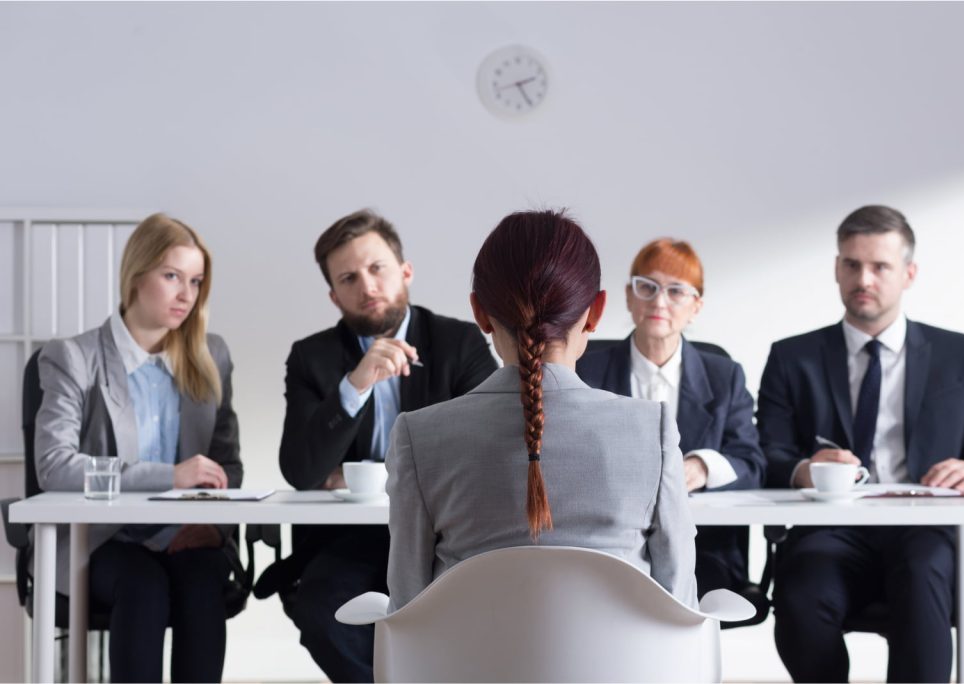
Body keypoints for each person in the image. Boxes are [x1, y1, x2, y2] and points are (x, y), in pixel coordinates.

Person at [757, 205, 964, 683]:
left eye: (880, 266)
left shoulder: (960, 356)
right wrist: (805, 469)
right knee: (800, 596)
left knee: (923, 576)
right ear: (837, 269)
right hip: (832, 529)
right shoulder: (792, 357)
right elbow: (766, 455)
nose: (865, 278)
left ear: (909, 273)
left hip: (928, 528)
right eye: (852, 264)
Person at [386, 209, 698, 612]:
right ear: (597, 312)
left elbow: (408, 611)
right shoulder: (650, 431)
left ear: (479, 312)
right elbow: (679, 605)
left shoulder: (420, 436)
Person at [273, 209, 497, 682]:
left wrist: (356, 474)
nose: (367, 286)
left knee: (464, 617)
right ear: (334, 296)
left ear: (405, 272)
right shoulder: (311, 358)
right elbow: (300, 470)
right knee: (321, 612)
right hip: (349, 539)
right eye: (349, 278)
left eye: (377, 269)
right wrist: (355, 386)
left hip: (445, 533)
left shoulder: (459, 343)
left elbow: (488, 448)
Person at [34, 213, 242, 683]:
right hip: (104, 538)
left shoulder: (212, 357)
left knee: (204, 578)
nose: (186, 294)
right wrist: (170, 476)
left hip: (185, 534)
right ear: (135, 274)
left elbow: (227, 465)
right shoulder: (74, 357)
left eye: (195, 281)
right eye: (172, 276)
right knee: (144, 585)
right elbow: (54, 466)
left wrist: (213, 523)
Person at [576, 238, 765, 596]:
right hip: (606, 544)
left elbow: (752, 463)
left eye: (676, 291)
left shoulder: (724, 376)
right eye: (646, 287)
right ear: (629, 298)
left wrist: (702, 467)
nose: (659, 301)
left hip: (705, 548)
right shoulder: (586, 369)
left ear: (696, 306)